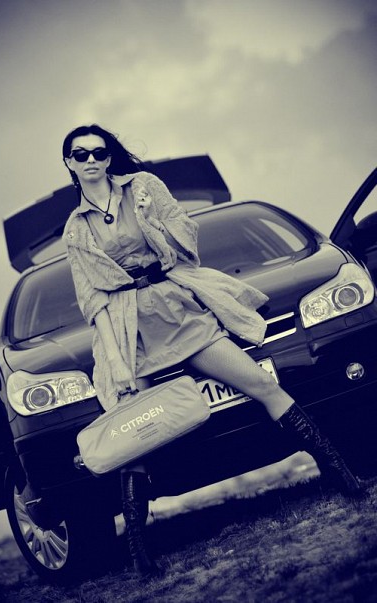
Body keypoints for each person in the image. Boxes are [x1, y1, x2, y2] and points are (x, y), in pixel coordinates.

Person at [62, 124, 361, 579]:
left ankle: (342, 476)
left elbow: (186, 236)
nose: (90, 161)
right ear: (69, 162)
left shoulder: (143, 187)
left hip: (176, 308)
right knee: (132, 437)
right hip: (128, 330)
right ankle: (140, 552)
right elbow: (92, 300)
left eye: (98, 152)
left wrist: (154, 226)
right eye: (80, 154)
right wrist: (118, 363)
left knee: (261, 383)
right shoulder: (75, 229)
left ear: (108, 157)